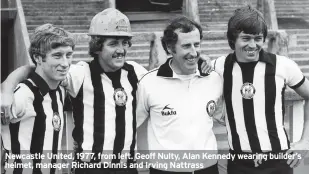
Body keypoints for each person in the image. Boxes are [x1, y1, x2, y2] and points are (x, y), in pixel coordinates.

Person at [1, 8, 147, 174]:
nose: (121, 49)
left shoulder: (136, 71)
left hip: (127, 167)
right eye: (113, 43)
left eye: (125, 43)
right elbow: (37, 69)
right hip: (90, 168)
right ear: (97, 46)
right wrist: (6, 88)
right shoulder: (80, 73)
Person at [211, 5, 309, 174]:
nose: (252, 45)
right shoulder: (219, 66)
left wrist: (305, 141)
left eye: (258, 38)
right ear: (232, 39)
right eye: (246, 38)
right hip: (239, 162)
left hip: (279, 160)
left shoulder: (282, 65)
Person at [136, 16, 222, 173]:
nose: (194, 52)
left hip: (208, 168)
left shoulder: (214, 78)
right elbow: (131, 124)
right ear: (170, 48)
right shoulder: (148, 83)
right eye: (186, 46)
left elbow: (221, 115)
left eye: (197, 45)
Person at [1, 24, 75, 174]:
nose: (65, 63)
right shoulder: (23, 94)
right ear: (38, 58)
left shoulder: (60, 91)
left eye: (68, 55)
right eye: (57, 55)